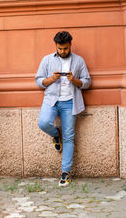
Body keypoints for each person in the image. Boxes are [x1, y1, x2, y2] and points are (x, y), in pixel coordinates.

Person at [35, 31, 91, 187]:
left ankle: (65, 173)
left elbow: (87, 82)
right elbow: (38, 81)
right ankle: (55, 134)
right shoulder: (47, 60)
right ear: (56, 46)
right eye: (60, 49)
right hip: (51, 100)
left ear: (70, 46)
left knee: (69, 137)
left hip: (70, 102)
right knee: (43, 123)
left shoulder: (79, 61)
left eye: (65, 48)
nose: (63, 52)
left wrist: (75, 80)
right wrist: (52, 78)